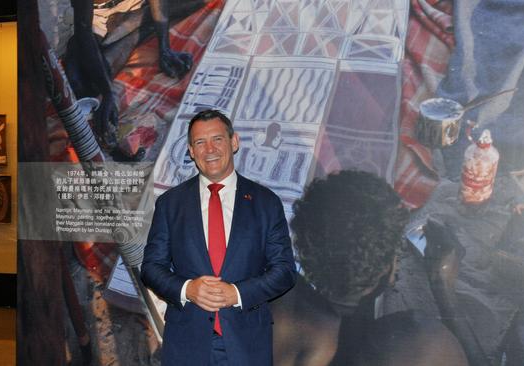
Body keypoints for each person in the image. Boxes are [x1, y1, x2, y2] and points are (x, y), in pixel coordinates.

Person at [141, 109, 297, 365]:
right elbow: (151, 268)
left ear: (234, 142)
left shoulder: (266, 202)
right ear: (191, 151)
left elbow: (284, 271)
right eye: (200, 142)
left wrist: (236, 293)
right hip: (186, 344)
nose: (209, 149)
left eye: (217, 139)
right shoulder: (170, 204)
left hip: (247, 343)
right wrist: (187, 289)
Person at [273, 170, 469, 366]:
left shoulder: (278, 307)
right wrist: (444, 289)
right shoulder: (418, 342)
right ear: (390, 269)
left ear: (305, 254)